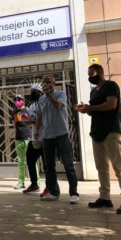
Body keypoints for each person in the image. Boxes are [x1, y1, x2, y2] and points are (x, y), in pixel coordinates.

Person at [74, 64, 121, 212]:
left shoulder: (111, 85)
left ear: (100, 72)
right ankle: (105, 198)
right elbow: (94, 112)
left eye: (92, 74)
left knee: (118, 167)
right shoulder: (93, 92)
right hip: (96, 132)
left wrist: (91, 108)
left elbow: (111, 104)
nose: (90, 77)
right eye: (88, 75)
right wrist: (86, 109)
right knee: (101, 167)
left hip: (111, 131)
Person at [35, 74, 79, 204]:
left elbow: (58, 106)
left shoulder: (61, 94)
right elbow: (40, 115)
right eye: (44, 83)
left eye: (49, 82)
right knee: (49, 166)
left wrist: (49, 95)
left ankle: (74, 193)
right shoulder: (41, 99)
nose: (46, 85)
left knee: (68, 165)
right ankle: (54, 192)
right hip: (47, 136)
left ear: (54, 83)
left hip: (61, 134)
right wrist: (37, 131)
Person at [22, 84, 49, 196]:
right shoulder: (32, 106)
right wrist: (27, 121)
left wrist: (33, 122)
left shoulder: (46, 105)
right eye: (31, 91)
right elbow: (32, 122)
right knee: (30, 160)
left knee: (47, 164)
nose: (32, 94)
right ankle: (34, 184)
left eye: (35, 91)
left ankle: (49, 186)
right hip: (34, 138)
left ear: (40, 93)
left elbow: (46, 121)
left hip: (45, 137)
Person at [11, 94, 31, 189]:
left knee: (32, 161)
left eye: (19, 99)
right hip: (18, 138)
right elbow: (14, 124)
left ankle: (35, 181)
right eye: (15, 100)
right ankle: (21, 181)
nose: (17, 101)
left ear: (23, 100)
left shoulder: (28, 110)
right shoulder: (14, 112)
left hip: (28, 137)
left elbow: (32, 122)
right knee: (20, 161)